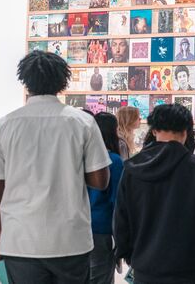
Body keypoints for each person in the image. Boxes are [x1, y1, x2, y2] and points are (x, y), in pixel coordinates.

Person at [0, 51, 111, 284]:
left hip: (20, 241)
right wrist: (69, 168)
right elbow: (101, 181)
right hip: (71, 240)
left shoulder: (4, 126)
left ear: (25, 81)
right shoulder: (82, 122)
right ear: (63, 82)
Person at [115, 104, 195, 284]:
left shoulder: (133, 168)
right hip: (185, 266)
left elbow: (120, 219)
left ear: (154, 130)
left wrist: (127, 254)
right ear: (186, 132)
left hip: (144, 266)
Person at [88, 112, 124, 284]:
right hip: (102, 230)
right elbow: (118, 201)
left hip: (76, 228)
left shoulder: (79, 157)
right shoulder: (114, 161)